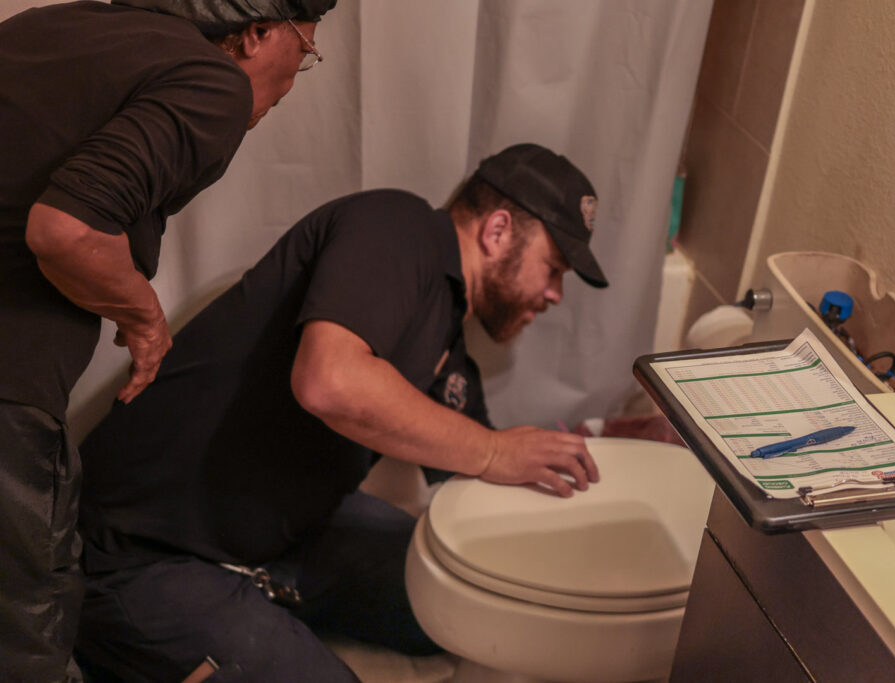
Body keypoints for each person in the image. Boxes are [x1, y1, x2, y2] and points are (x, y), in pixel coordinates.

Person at [74, 143, 608, 681]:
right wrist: (492, 452)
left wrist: (592, 441)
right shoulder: (397, 229)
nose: (555, 294)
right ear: (497, 231)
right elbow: (329, 381)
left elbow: (483, 462)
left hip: (284, 536)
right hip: (140, 553)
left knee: (470, 603)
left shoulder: (447, 340)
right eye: (554, 267)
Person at [0, 1, 336, 680]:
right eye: (303, 52)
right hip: (9, 376)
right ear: (256, 32)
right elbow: (65, 229)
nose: (294, 81)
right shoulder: (215, 82)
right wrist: (145, 318)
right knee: (30, 627)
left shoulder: (53, 26)